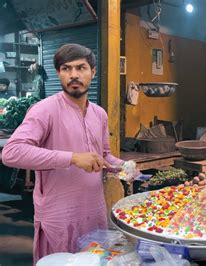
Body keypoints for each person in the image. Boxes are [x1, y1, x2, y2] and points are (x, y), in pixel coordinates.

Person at [2, 43, 124, 264]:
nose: (74, 75)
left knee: (94, 261)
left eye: (81, 68)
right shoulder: (45, 110)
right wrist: (72, 157)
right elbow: (11, 152)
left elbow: (104, 155)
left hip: (94, 212)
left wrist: (122, 167)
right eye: (66, 69)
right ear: (59, 73)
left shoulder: (100, 114)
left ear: (93, 72)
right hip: (60, 216)